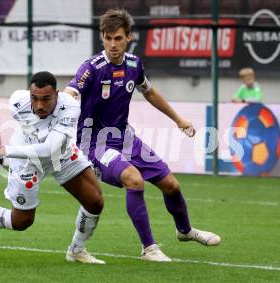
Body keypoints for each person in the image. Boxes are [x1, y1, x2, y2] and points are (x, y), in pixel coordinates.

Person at [64, 8, 220, 262]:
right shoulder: (92, 68)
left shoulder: (134, 65)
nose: (112, 44)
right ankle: (149, 248)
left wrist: (178, 119)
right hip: (95, 143)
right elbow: (72, 90)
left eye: (118, 38)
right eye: (108, 38)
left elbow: (149, 92)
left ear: (128, 38)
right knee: (133, 180)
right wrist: (66, 98)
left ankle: (185, 231)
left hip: (126, 139)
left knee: (171, 185)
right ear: (102, 38)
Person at [0, 71, 105, 264]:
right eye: (35, 98)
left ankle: (76, 250)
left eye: (46, 99)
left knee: (95, 201)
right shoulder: (17, 102)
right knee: (22, 221)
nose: (39, 105)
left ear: (57, 94)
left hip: (59, 154)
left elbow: (49, 149)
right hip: (25, 160)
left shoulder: (70, 108)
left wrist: (3, 150)